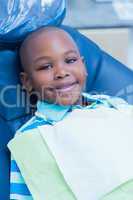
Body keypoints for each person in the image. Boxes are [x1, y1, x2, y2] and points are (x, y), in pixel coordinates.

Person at [8, 27, 133, 200]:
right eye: (46, 66)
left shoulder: (116, 107)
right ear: (27, 81)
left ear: (84, 66)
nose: (61, 72)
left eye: (70, 60)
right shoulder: (30, 139)